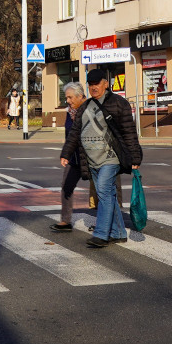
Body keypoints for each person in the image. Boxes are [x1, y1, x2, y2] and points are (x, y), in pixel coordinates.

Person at [60, 69, 142, 248]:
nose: (93, 87)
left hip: (110, 158)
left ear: (106, 83)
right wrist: (66, 153)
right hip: (92, 160)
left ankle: (101, 234)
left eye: (97, 83)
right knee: (108, 196)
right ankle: (118, 232)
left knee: (104, 192)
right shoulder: (86, 106)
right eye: (90, 84)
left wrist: (135, 156)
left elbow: (129, 132)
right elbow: (75, 132)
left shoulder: (119, 104)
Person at [50, 83, 87, 233]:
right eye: (66, 98)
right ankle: (65, 221)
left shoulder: (89, 109)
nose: (68, 101)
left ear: (80, 96)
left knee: (100, 191)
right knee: (66, 186)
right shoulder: (70, 112)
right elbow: (69, 135)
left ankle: (105, 223)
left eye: (70, 97)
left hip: (90, 157)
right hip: (74, 157)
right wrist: (66, 153)